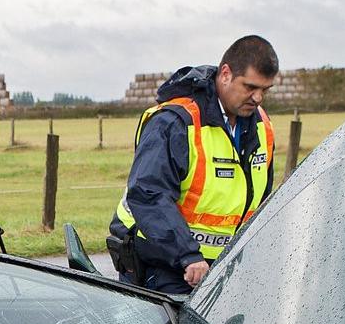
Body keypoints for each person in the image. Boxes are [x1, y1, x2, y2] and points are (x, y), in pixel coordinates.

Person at [108, 35, 278, 294]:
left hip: (220, 268)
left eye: (265, 90)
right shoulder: (175, 122)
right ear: (225, 74)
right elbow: (149, 194)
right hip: (163, 263)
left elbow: (260, 198)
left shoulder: (261, 126)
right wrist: (187, 255)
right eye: (250, 87)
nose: (257, 98)